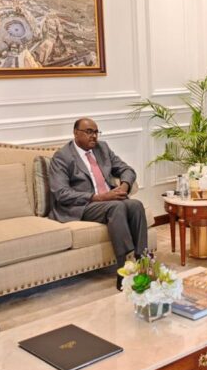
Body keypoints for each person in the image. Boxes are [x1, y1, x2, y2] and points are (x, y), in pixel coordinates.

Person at [49, 117, 147, 291]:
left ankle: (143, 263)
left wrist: (124, 187)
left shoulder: (102, 148)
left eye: (96, 132)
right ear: (75, 133)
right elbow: (61, 193)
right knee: (117, 207)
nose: (94, 136)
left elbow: (127, 170)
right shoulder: (62, 157)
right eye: (89, 132)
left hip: (109, 200)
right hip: (83, 205)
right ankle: (123, 269)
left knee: (136, 205)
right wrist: (100, 197)